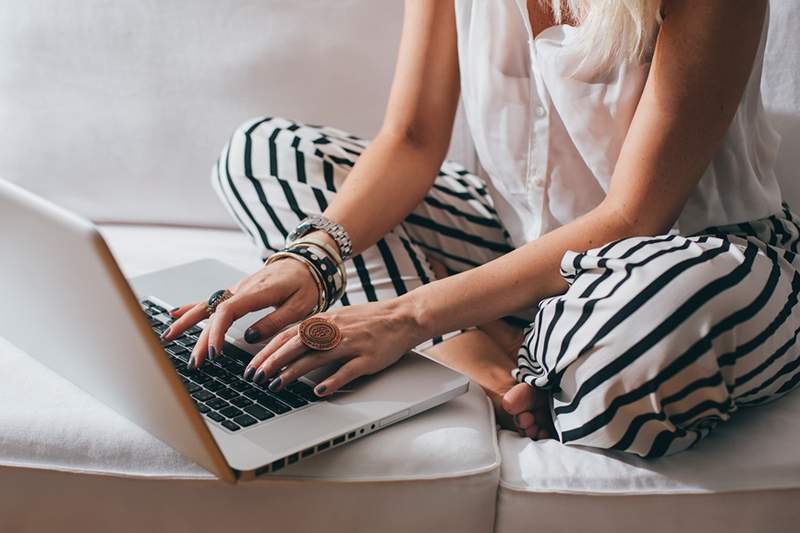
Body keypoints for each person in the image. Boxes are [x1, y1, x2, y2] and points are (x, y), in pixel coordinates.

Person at [163, 0, 800, 458]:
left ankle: (483, 341)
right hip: (513, 243)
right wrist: (311, 258)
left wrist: (409, 317)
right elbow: (410, 141)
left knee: (636, 354)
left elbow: (634, 217)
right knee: (264, 157)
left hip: (689, 256)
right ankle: (489, 351)